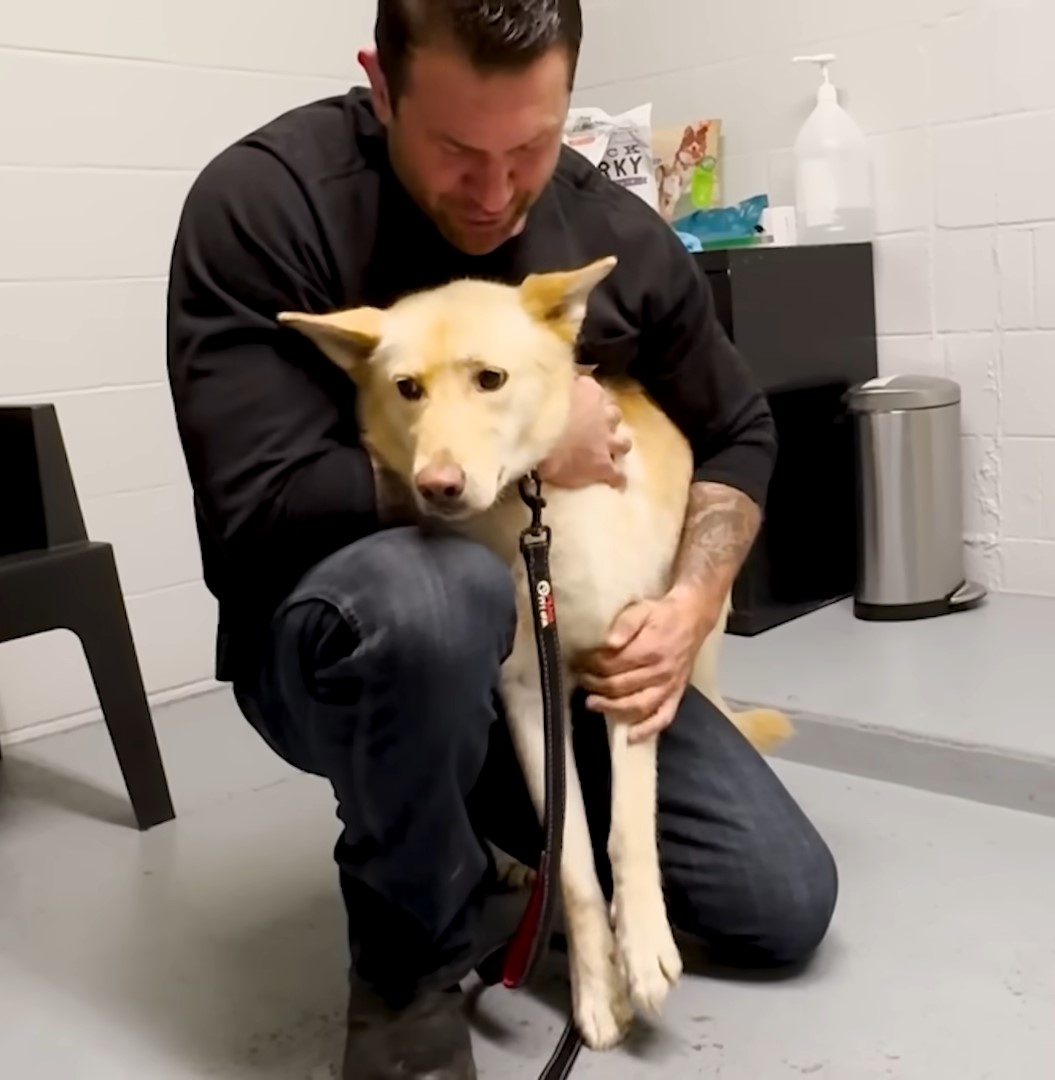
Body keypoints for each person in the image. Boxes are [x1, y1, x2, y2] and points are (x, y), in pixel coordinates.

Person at [165, 2, 838, 1076]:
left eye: (528, 146)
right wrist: (523, 442)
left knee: (782, 900)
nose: (492, 193)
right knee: (433, 599)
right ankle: (405, 972)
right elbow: (254, 512)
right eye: (453, 150)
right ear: (378, 86)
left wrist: (690, 605)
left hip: (541, 654)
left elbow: (739, 429)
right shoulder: (263, 204)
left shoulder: (601, 229)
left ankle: (487, 831)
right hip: (344, 651)